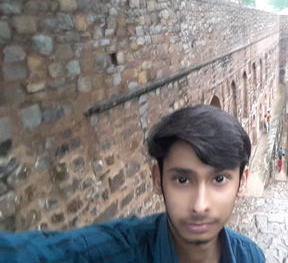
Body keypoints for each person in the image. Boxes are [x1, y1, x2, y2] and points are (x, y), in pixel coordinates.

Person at [0, 105, 265, 263]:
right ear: (157, 179)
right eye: (182, 180)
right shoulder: (116, 251)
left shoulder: (249, 256)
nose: (200, 205)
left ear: (241, 182)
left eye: (219, 179)